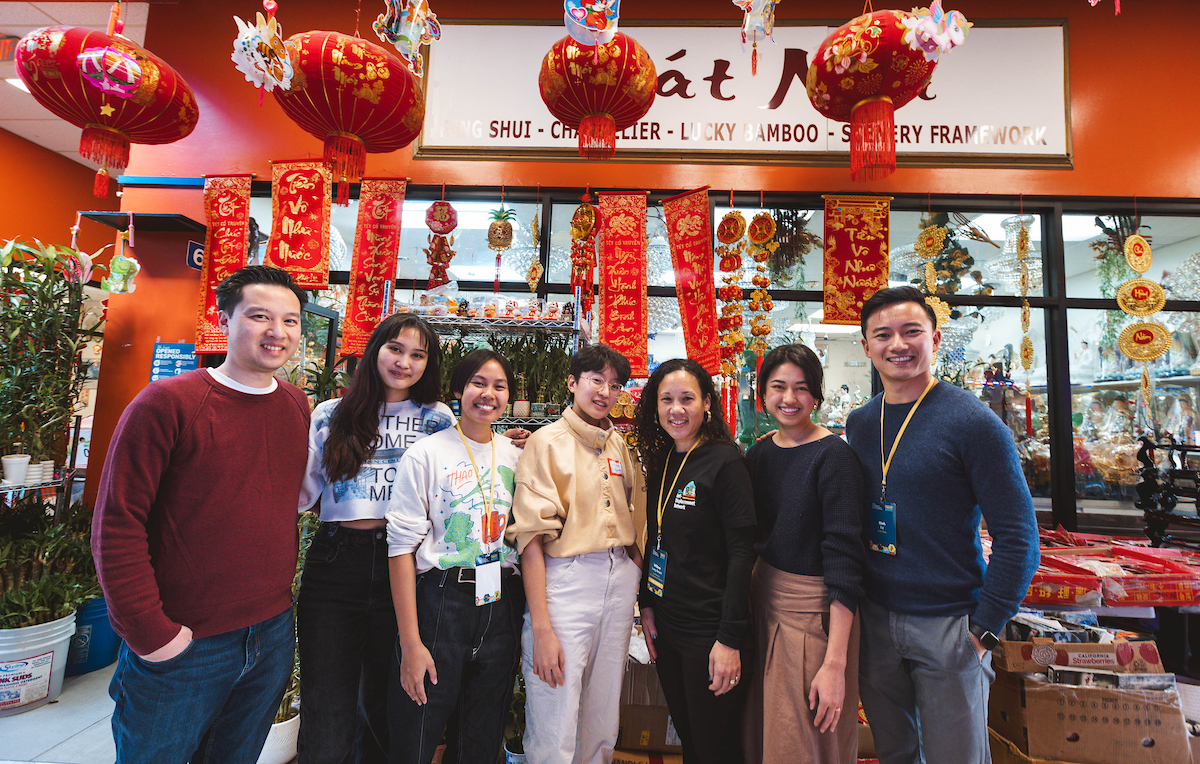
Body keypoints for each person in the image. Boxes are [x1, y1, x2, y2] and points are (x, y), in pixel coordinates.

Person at [92, 265, 311, 764]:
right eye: (259, 316)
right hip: (185, 641)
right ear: (224, 318)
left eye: (291, 321)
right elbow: (116, 525)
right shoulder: (167, 403)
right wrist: (152, 635)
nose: (277, 332)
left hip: (271, 633)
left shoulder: (296, 406)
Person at [845, 286, 1039, 764]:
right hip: (874, 620)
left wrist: (983, 632)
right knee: (895, 753)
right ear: (866, 346)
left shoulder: (975, 423)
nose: (898, 345)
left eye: (912, 332)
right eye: (883, 334)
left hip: (950, 623)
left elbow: (1019, 537)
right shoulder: (860, 423)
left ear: (934, 338)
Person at [296, 313, 452, 763]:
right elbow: (306, 493)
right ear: (374, 351)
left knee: (392, 704)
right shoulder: (331, 413)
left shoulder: (436, 418)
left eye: (418, 355)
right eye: (395, 349)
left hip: (405, 569)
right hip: (336, 563)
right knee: (327, 705)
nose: (404, 362)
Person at [506, 344, 645, 764]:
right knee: (556, 706)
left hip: (618, 578)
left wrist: (634, 572)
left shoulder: (620, 444)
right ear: (572, 382)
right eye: (595, 380)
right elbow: (530, 538)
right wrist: (542, 627)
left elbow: (636, 517)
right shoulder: (546, 443)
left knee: (603, 710)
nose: (605, 391)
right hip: (565, 579)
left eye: (615, 384)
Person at [385, 348, 524, 764]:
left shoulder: (518, 457)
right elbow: (400, 549)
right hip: (441, 600)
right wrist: (411, 643)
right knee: (419, 724)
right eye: (478, 383)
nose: (488, 394)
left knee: (481, 734)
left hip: (501, 600)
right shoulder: (426, 454)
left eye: (499, 386)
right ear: (459, 391)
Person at [743, 344, 866, 764]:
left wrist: (835, 664)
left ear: (816, 395)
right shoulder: (760, 453)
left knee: (803, 744)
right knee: (761, 737)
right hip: (761, 610)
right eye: (778, 387)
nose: (789, 399)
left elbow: (846, 564)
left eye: (801, 388)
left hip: (812, 622)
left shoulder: (834, 457)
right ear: (763, 393)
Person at [632, 358, 756, 764]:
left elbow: (742, 553)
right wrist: (647, 606)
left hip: (710, 632)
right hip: (668, 627)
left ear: (707, 403)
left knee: (713, 747)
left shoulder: (726, 462)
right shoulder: (664, 458)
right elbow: (656, 537)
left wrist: (729, 639)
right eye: (666, 399)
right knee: (690, 738)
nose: (676, 409)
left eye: (687, 398)